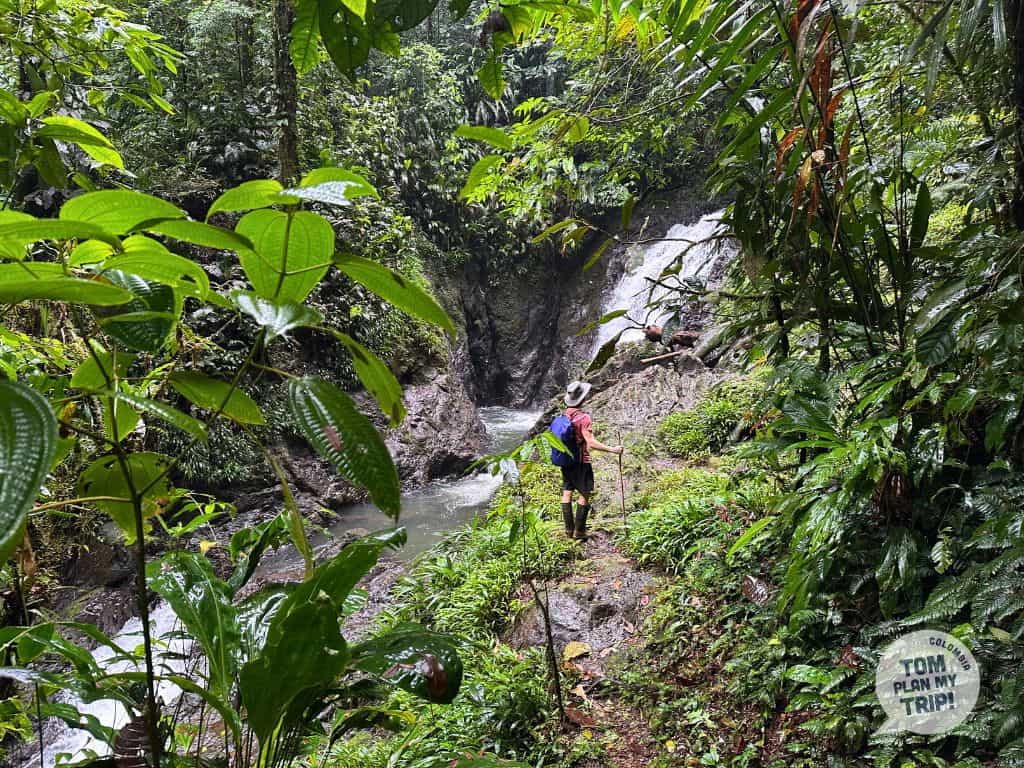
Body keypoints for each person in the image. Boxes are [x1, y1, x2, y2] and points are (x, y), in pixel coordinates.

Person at [560, 380, 623, 540]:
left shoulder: (564, 414)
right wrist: (612, 449)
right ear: (583, 398)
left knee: (567, 492)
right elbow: (591, 442)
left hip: (566, 460)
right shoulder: (583, 417)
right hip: (581, 461)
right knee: (584, 493)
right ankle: (579, 532)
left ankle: (568, 531)